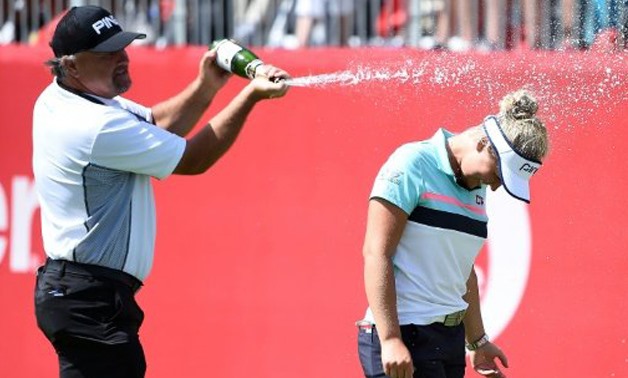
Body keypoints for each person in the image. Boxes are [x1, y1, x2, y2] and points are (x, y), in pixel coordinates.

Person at [32, 5, 289, 378]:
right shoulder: (93, 125)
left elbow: (157, 124)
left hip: (82, 294)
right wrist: (250, 96)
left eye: (123, 47)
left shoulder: (72, 96)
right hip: (88, 298)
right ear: (71, 66)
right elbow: (193, 158)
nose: (122, 59)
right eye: (108, 54)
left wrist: (207, 86)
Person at [357, 89, 549, 378]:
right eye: (498, 175)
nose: (496, 186)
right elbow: (376, 252)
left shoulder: (478, 186)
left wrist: (478, 341)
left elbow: (462, 270)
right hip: (403, 335)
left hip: (448, 340)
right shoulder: (412, 162)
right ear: (484, 142)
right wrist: (391, 339)